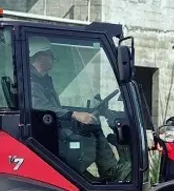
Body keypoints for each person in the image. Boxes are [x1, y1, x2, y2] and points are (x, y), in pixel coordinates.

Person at [28, 36, 131, 182]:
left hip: (52, 128)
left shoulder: (41, 80)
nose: (53, 59)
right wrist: (75, 114)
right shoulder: (32, 83)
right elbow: (43, 108)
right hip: (50, 134)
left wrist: (81, 112)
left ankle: (97, 175)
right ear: (41, 56)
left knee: (92, 123)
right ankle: (110, 170)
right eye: (51, 55)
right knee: (92, 126)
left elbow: (53, 108)